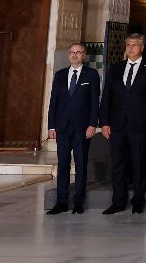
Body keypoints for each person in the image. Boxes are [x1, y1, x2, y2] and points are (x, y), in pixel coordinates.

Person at [99, 33, 146, 215]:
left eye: (135, 45)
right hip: (117, 125)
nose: (131, 48)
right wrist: (104, 122)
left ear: (142, 48)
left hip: (140, 124)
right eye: (128, 45)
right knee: (117, 163)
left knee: (138, 162)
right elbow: (107, 97)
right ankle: (118, 201)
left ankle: (138, 201)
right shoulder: (116, 68)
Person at [45, 43, 100, 215]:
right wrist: (51, 126)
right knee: (62, 164)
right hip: (62, 127)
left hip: (82, 128)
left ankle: (78, 201)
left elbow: (94, 103)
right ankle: (61, 202)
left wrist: (93, 124)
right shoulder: (60, 75)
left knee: (81, 164)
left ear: (84, 55)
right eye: (72, 52)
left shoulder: (91, 75)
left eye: (78, 53)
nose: (75, 55)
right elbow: (53, 102)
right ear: (69, 55)